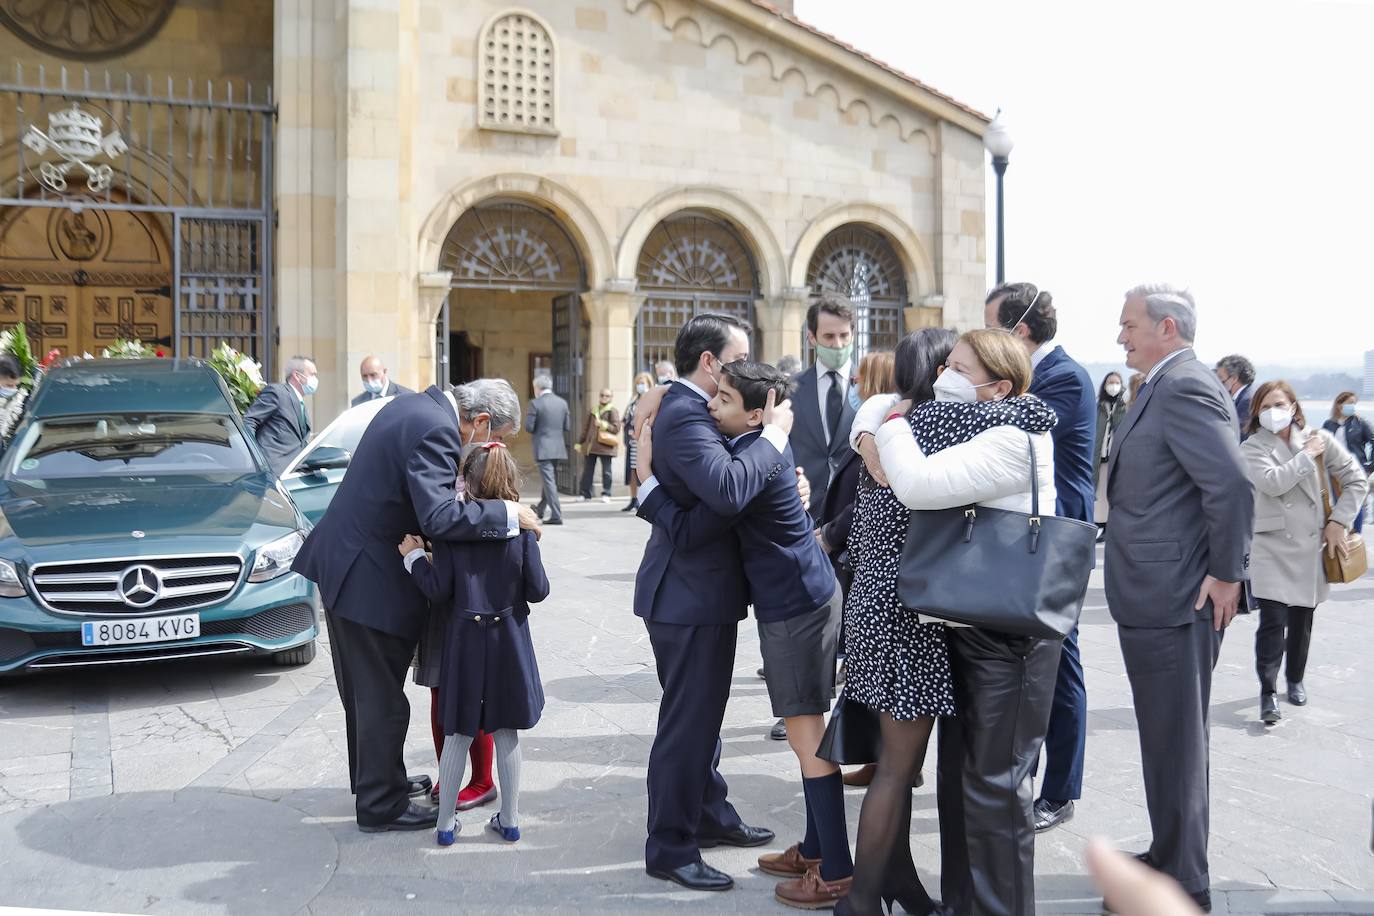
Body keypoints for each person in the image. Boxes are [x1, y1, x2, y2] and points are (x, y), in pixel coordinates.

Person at [849, 327, 1060, 916]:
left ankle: (898, 891)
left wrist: (874, 423)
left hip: (898, 612)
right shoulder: (931, 426)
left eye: (961, 368)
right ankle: (876, 896)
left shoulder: (938, 426)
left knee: (933, 774)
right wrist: (879, 423)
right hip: (916, 618)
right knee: (921, 773)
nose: (950, 378)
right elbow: (914, 481)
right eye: (947, 366)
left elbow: (883, 432)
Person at [637, 360, 850, 909]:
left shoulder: (757, 458)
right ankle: (817, 849)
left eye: (725, 400)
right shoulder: (754, 449)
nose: (711, 406)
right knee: (802, 733)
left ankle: (833, 868)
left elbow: (703, 516)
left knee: (807, 736)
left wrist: (650, 486)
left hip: (798, 605)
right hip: (791, 602)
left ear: (756, 414)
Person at [292, 379, 540, 834]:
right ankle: (381, 804)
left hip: (352, 566)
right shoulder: (437, 429)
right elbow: (439, 515)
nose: (490, 448)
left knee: (367, 695)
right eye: (494, 438)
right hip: (362, 577)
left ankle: (379, 783)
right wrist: (508, 515)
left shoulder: (416, 407)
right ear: (480, 420)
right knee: (380, 699)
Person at [632, 313, 795, 892]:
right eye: (733, 361)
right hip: (686, 595)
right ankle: (671, 846)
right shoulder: (682, 415)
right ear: (709, 362)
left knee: (702, 722)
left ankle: (708, 813)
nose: (740, 373)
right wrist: (774, 441)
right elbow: (727, 490)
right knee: (687, 726)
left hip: (698, 591)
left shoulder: (678, 406)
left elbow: (722, 497)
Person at [1106, 284, 1253, 913]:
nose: (1120, 337)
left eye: (1128, 325)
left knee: (1179, 744)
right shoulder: (1162, 385)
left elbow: (1232, 486)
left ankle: (1185, 881)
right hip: (1154, 594)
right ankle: (1169, 853)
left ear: (1167, 328)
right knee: (1165, 740)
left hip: (1176, 599)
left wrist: (1227, 574)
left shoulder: (1186, 385)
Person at [984, 282, 1095, 835]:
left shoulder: (1063, 378)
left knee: (1061, 662)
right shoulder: (1043, 376)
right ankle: (1020, 777)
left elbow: (1008, 428)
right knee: (1036, 660)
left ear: (1019, 332)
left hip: (1057, 542)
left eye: (993, 332)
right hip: (1030, 538)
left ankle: (1060, 790)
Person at [400, 442, 549, 846]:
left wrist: (414, 559)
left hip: (465, 641)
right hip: (509, 643)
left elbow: (438, 590)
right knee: (506, 732)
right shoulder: (522, 532)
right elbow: (538, 590)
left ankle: (445, 825)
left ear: (469, 483)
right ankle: (510, 819)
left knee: (457, 733)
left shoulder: (452, 533)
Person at [1242, 381, 1366, 723]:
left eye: (1279, 404)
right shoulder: (1253, 447)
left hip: (1312, 545)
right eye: (1264, 407)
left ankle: (1294, 679)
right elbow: (1272, 482)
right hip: (1270, 544)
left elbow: (1357, 479)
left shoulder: (1320, 439)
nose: (1272, 412)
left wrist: (1339, 521)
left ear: (1294, 407)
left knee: (1302, 619)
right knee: (1272, 622)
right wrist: (1306, 455)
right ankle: (1268, 691)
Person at [816, 348, 896, 789]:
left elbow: (863, 499)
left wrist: (830, 533)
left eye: (860, 378)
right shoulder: (867, 429)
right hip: (855, 553)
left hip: (859, 552)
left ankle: (890, 761)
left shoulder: (883, 432)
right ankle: (879, 757)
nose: (852, 385)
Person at [791, 294, 857, 521]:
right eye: (828, 336)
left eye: (844, 336)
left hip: (853, 518)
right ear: (811, 337)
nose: (837, 345)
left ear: (853, 335)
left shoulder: (872, 389)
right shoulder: (791, 389)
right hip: (804, 516)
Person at [243, 355, 317, 477]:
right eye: (312, 374)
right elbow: (249, 422)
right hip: (273, 472)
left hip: (293, 472)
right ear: (297, 375)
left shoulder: (300, 403)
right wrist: (253, 459)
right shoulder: (277, 392)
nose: (315, 379)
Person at [1322, 392, 1374, 533]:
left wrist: (1370, 466)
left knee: (1356, 503)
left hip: (1357, 469)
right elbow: (1322, 445)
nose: (1352, 407)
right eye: (1349, 403)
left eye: (1354, 404)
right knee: (1338, 504)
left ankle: (1356, 535)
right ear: (1339, 405)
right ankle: (1340, 533)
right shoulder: (1328, 424)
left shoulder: (1361, 423)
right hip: (1333, 471)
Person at [525, 373, 569, 526]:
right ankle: (540, 510)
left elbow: (529, 427)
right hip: (558, 448)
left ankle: (556, 515)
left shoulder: (535, 403)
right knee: (549, 480)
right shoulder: (562, 403)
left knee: (549, 482)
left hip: (543, 448)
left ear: (537, 387)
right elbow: (567, 426)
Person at [1094, 372, 1128, 535]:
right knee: (1100, 494)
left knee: (1114, 492)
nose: (1113, 386)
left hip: (1117, 458)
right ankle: (1101, 525)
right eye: (1110, 382)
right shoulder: (1099, 406)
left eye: (1116, 383)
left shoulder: (1124, 407)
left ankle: (1111, 527)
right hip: (1100, 459)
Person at [576, 388, 620, 502]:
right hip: (592, 446)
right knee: (587, 471)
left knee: (606, 471)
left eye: (607, 396)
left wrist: (603, 424)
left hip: (606, 446)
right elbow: (585, 428)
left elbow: (616, 428)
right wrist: (579, 442)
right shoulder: (593, 410)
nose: (604, 397)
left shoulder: (612, 411)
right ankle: (585, 493)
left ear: (611, 398)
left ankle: (607, 493)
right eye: (602, 395)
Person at [622, 372, 655, 512]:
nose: (640, 386)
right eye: (638, 383)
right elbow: (627, 418)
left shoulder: (652, 399)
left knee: (644, 469)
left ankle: (644, 500)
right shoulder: (633, 401)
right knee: (633, 470)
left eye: (643, 383)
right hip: (632, 441)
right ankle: (633, 499)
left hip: (645, 440)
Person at [1214, 355, 1256, 440]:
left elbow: (1238, 436)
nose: (1217, 382)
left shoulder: (1247, 401)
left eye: (1220, 377)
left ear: (1233, 379)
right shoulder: (1238, 397)